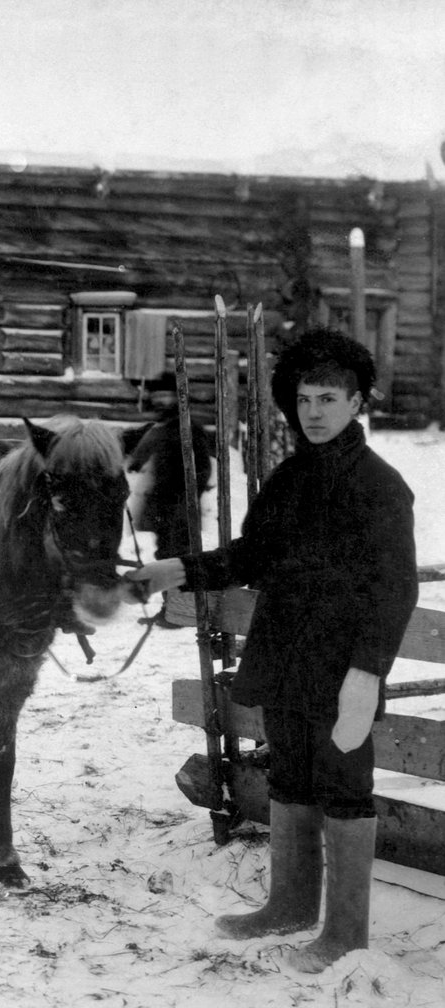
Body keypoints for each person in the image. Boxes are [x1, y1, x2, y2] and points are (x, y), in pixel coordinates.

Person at [126, 328, 417, 973]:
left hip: (343, 668)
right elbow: (249, 557)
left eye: (328, 398)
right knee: (289, 776)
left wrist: (367, 675)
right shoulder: (288, 479)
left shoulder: (381, 488)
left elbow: (393, 591)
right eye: (304, 398)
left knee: (344, 785)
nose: (313, 411)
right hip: (285, 655)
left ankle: (344, 933)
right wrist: (177, 568)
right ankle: (288, 905)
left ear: (357, 401)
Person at [124, 372, 213, 626]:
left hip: (181, 506)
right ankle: (171, 610)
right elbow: (143, 453)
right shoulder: (161, 430)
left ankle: (182, 612)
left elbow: (204, 466)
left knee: (180, 559)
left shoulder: (189, 428)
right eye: (157, 396)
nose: (161, 401)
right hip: (163, 506)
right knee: (165, 556)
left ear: (177, 398)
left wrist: (189, 495)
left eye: (166, 396)